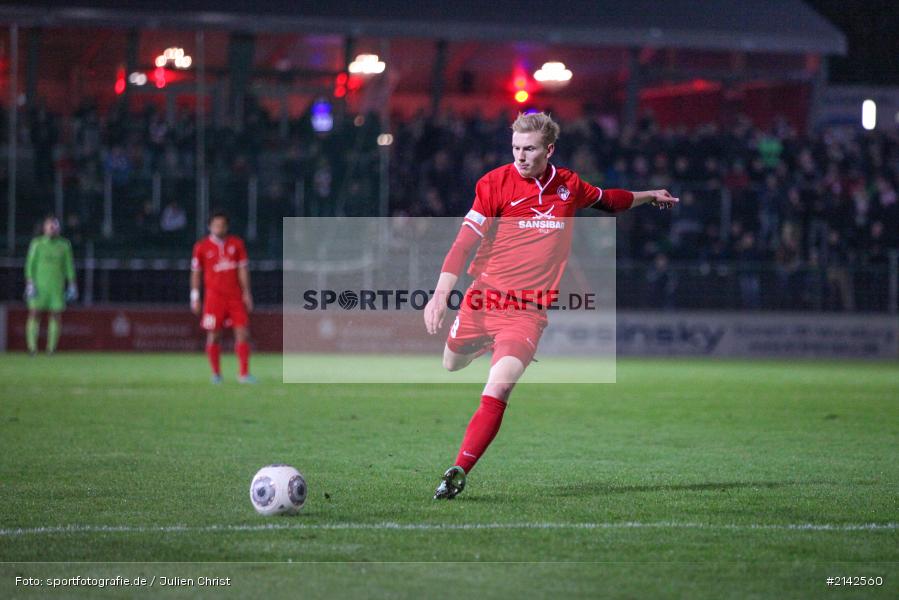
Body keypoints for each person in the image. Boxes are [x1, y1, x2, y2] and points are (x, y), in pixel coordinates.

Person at [424, 112, 678, 499]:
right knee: (451, 363)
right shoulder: (493, 184)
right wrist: (441, 293)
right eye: (515, 149)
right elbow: (463, 243)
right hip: (482, 299)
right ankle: (483, 343)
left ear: (549, 150)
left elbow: (609, 201)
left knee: (501, 385)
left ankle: (459, 469)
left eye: (529, 150)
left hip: (526, 313)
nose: (520, 157)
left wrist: (648, 196)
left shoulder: (568, 185)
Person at [190, 211, 256, 383]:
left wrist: (247, 292)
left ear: (227, 227)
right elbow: (196, 273)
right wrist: (195, 296)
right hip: (214, 298)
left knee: (242, 332)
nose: (219, 228)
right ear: (209, 226)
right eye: (216, 225)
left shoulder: (237, 244)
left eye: (222, 225)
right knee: (214, 335)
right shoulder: (201, 247)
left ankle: (243, 374)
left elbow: (242, 269)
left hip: (234, 297)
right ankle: (216, 374)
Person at [25, 215, 77, 355]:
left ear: (58, 228)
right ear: (44, 228)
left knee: (55, 315)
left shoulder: (64, 245)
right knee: (34, 314)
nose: (52, 228)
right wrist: (30, 282)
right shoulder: (37, 244)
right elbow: (30, 264)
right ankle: (32, 348)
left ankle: (51, 349)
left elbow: (68, 265)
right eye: (50, 226)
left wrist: (72, 283)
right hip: (39, 286)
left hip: (56, 286)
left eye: (55, 226)